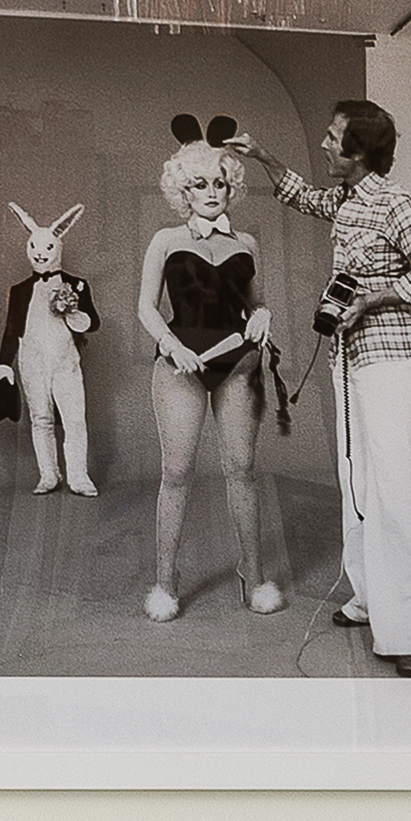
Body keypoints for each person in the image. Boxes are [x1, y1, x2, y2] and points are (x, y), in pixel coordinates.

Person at [251, 95, 411, 670]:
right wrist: (265, 157)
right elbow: (304, 198)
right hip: (350, 357)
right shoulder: (348, 200)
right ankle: (371, 597)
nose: (324, 144)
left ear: (360, 150)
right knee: (357, 478)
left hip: (391, 357)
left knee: (394, 485)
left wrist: (372, 298)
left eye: (332, 136)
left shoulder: (397, 203)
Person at [135, 120, 279, 623]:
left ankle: (254, 576)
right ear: (182, 189)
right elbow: (145, 308)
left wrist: (262, 316)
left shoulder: (248, 243)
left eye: (219, 182)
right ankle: (165, 582)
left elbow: (256, 305)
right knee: (176, 472)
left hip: (239, 364)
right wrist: (171, 346)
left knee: (242, 469)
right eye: (200, 183)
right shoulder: (165, 239)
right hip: (181, 364)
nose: (211, 192)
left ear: (231, 185)